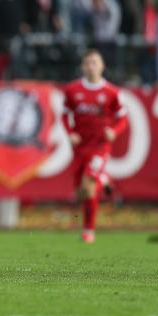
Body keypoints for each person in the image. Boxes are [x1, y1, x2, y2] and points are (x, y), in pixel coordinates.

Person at [62, 49, 128, 244]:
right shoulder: (72, 90)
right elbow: (65, 114)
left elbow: (122, 118)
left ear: (102, 66)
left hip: (100, 146)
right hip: (80, 146)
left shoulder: (111, 92)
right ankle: (104, 178)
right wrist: (70, 132)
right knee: (81, 191)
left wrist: (114, 131)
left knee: (88, 186)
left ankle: (88, 231)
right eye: (88, 63)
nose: (91, 66)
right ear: (83, 66)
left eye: (95, 62)